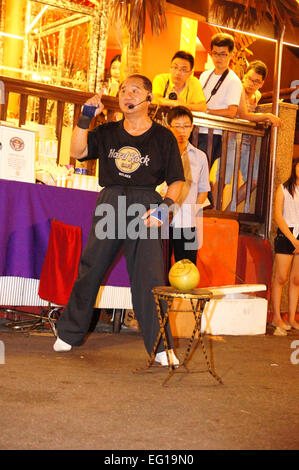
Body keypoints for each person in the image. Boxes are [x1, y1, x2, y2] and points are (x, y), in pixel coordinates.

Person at [53, 74, 185, 367]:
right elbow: (77, 152)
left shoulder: (163, 137)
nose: (127, 94)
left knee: (150, 279)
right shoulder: (109, 131)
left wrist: (165, 208)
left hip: (146, 205)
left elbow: (177, 182)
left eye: (135, 90)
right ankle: (69, 333)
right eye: (123, 89)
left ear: (149, 98)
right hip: (111, 201)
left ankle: (161, 346)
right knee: (91, 269)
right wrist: (85, 119)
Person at [225, 60, 282, 211]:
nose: (252, 83)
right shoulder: (238, 90)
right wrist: (268, 116)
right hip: (231, 138)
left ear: (262, 83)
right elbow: (243, 114)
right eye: (250, 78)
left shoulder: (257, 95)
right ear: (244, 77)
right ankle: (214, 213)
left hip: (247, 141)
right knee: (222, 178)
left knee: (255, 178)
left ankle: (228, 210)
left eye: (257, 81)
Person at [166, 106, 210, 266]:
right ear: (169, 127)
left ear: (192, 128)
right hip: (162, 220)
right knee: (159, 268)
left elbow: (203, 191)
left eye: (186, 126)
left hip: (188, 222)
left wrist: (192, 212)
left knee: (187, 269)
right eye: (177, 126)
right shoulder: (161, 153)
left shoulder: (200, 157)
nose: (181, 131)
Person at [270, 157, 299, 335]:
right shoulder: (283, 188)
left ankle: (291, 318)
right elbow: (278, 217)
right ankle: (276, 317)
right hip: (286, 234)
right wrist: (294, 240)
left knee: (297, 280)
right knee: (280, 278)